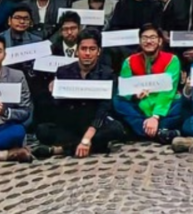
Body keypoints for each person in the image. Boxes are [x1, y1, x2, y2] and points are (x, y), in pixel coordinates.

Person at [34, 28, 125, 159]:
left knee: (116, 129)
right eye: (83, 49)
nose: (87, 53)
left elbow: (104, 108)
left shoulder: (107, 74)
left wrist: (87, 138)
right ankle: (94, 146)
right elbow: (57, 107)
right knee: (42, 130)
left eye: (92, 49)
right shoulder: (63, 71)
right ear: (77, 50)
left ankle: (60, 149)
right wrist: (54, 91)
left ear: (99, 51)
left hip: (94, 122)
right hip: (71, 122)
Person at [113, 24, 184, 145]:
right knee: (117, 101)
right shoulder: (129, 61)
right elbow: (125, 91)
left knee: (182, 103)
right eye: (145, 38)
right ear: (139, 41)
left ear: (160, 41)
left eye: (152, 37)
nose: (148, 41)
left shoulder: (172, 60)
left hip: (163, 105)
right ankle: (160, 133)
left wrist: (155, 116)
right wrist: (134, 95)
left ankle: (140, 130)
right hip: (140, 106)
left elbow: (168, 93)